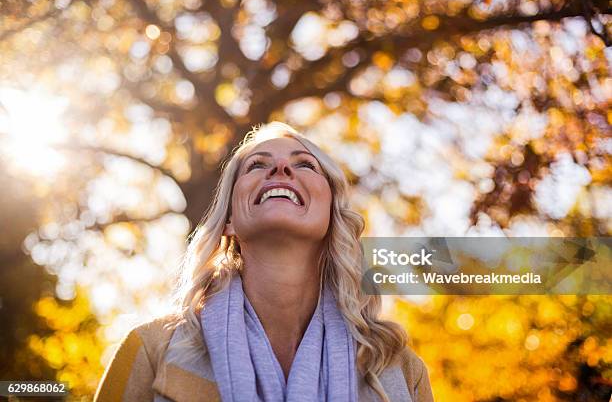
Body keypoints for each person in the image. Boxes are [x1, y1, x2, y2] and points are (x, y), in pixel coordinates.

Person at [94, 121, 433, 402]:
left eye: (304, 164)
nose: (281, 168)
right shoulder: (152, 350)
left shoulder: (399, 370)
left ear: (333, 215)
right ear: (228, 219)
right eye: (257, 165)